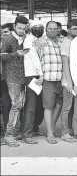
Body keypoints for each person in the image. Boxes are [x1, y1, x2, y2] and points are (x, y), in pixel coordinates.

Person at [1, 15, 29, 147]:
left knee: (20, 105)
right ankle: (9, 135)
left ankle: (16, 131)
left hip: (24, 76)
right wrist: (17, 54)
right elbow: (2, 56)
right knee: (16, 105)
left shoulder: (25, 38)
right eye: (19, 28)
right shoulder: (8, 38)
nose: (21, 30)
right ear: (14, 26)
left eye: (24, 28)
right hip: (12, 77)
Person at [36, 21, 63, 144]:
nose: (52, 30)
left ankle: (51, 127)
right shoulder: (40, 42)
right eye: (49, 28)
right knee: (49, 106)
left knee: (59, 105)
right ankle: (49, 133)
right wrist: (39, 75)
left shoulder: (60, 42)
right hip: (48, 79)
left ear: (58, 29)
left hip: (61, 79)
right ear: (46, 29)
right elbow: (34, 59)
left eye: (54, 28)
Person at [22, 19, 45, 144]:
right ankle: (27, 134)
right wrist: (41, 74)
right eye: (36, 27)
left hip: (39, 75)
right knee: (31, 105)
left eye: (41, 27)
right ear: (30, 29)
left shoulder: (39, 40)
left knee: (39, 105)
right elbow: (34, 58)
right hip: (32, 76)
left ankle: (35, 128)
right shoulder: (29, 40)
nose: (39, 30)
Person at [59, 19, 77, 143]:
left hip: (76, 77)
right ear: (68, 30)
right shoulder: (66, 43)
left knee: (72, 106)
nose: (76, 30)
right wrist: (69, 80)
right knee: (66, 107)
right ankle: (64, 133)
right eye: (73, 28)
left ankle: (70, 129)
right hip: (68, 79)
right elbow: (65, 63)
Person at [1, 23, 13, 144]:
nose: (3, 35)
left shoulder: (10, 45)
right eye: (2, 32)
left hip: (5, 79)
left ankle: (6, 132)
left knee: (6, 106)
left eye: (6, 32)